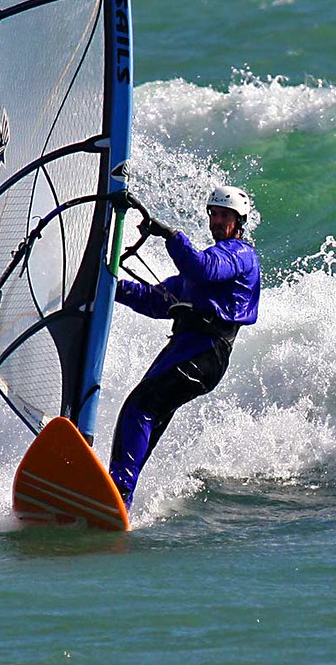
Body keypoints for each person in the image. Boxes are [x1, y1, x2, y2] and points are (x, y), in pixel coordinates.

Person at [109, 185, 261, 508]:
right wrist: (109, 288)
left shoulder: (240, 255)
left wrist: (172, 236)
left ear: (239, 222)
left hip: (206, 352)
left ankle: (118, 492)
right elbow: (155, 300)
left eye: (226, 216)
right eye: (215, 214)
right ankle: (117, 498)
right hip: (185, 350)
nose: (218, 221)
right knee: (148, 416)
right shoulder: (200, 271)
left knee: (139, 408)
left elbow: (203, 267)